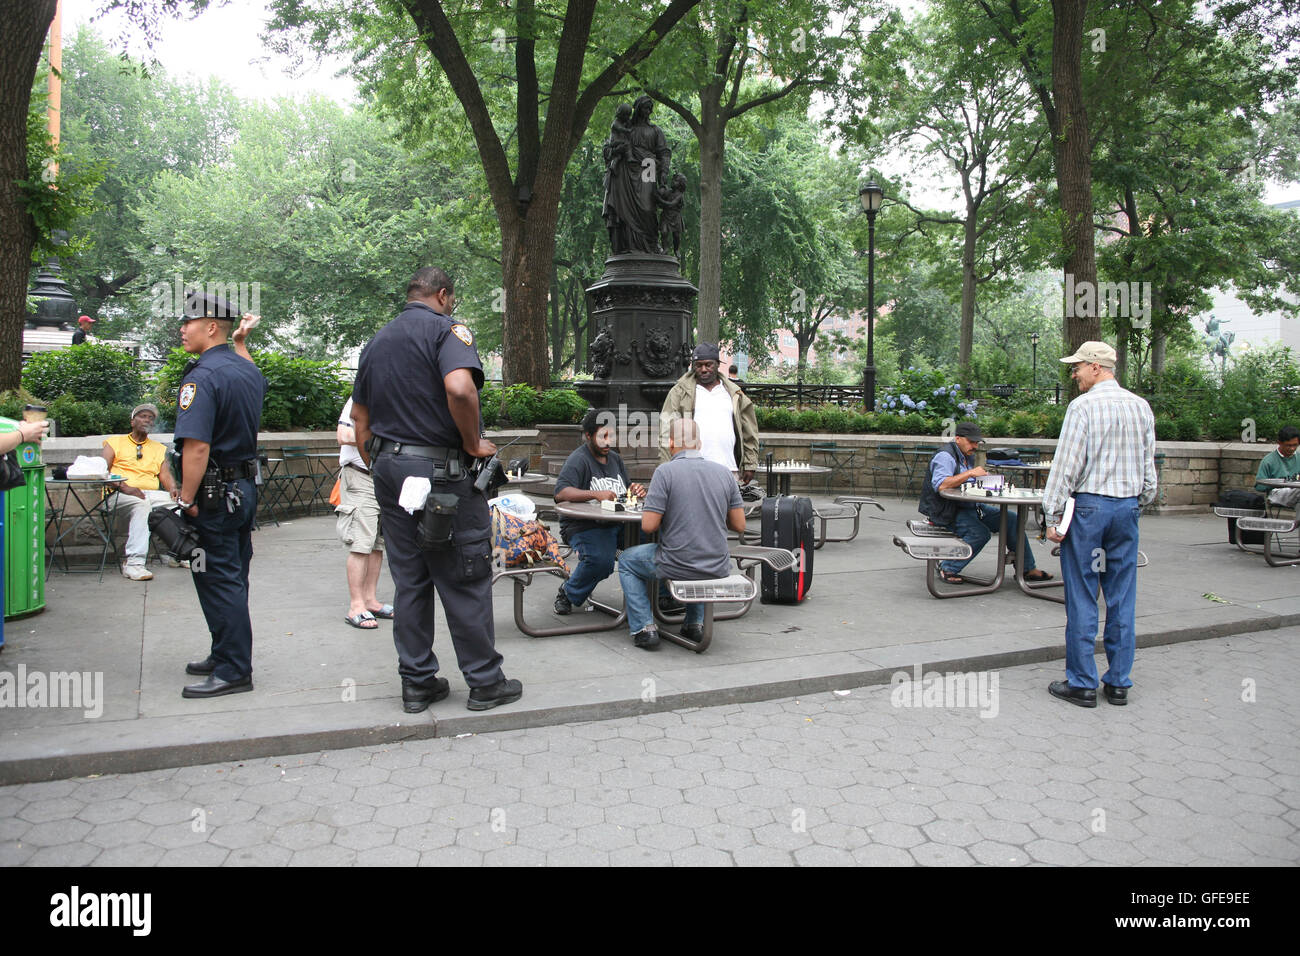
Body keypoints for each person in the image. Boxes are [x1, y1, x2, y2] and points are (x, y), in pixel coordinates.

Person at [350, 267, 522, 714]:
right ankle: (485, 682)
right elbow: (460, 389)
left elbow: (360, 420)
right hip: (442, 474)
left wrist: (381, 465)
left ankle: (417, 683)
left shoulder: (377, 341)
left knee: (410, 578)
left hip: (389, 469)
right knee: (465, 573)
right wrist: (472, 443)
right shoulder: (449, 331)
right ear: (443, 295)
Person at [1043, 341, 1157, 708]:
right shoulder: (1141, 407)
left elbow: (1066, 466)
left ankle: (1082, 683)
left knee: (1082, 595)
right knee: (1121, 596)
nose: (1073, 374)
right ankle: (1119, 682)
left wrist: (1052, 515)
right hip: (1126, 508)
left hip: (1090, 509)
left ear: (1095, 366)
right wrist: (1136, 503)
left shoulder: (1083, 407)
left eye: (1077, 367)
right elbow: (1149, 471)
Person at [173, 292, 267, 700]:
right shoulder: (246, 370)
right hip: (242, 490)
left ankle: (233, 670)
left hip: (212, 497)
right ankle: (223, 652)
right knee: (232, 575)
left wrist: (185, 499)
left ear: (211, 327)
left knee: (217, 579)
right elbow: (252, 371)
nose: (182, 329)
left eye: (188, 323)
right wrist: (241, 341)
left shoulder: (202, 377)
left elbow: (196, 448)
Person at [618, 419, 745, 650]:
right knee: (697, 553)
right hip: (717, 565)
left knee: (627, 560)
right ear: (700, 444)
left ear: (671, 443)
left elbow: (648, 526)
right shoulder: (724, 473)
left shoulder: (665, 472)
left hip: (677, 563)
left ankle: (644, 627)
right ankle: (694, 624)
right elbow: (739, 524)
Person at [918, 421, 1050, 585]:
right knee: (979, 533)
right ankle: (948, 567)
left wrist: (985, 480)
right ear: (958, 438)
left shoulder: (965, 455)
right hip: (946, 511)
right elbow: (941, 485)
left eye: (977, 442)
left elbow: (965, 481)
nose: (975, 446)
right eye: (971, 442)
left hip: (970, 506)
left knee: (1011, 520)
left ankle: (1027, 568)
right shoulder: (945, 456)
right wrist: (970, 473)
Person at [552, 408, 646, 615]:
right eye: (603, 436)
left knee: (655, 541)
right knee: (600, 561)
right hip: (585, 526)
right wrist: (595, 494)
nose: (608, 442)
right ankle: (568, 592)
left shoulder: (615, 459)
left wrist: (634, 490)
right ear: (588, 435)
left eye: (612, 436)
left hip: (618, 523)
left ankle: (661, 596)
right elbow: (561, 492)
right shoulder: (579, 459)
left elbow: (624, 490)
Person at [101, 403, 185, 581]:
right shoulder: (114, 443)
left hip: (148, 494)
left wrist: (173, 488)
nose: (147, 420)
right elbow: (102, 471)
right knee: (141, 504)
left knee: (184, 504)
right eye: (142, 416)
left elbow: (165, 475)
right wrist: (125, 487)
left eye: (151, 418)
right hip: (117, 494)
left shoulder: (158, 448)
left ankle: (179, 553)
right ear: (132, 422)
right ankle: (134, 564)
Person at [659, 343, 758, 485]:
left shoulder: (734, 393)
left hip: (728, 469)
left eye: (708, 365)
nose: (703, 369)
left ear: (718, 364)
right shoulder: (679, 392)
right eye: (699, 365)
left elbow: (749, 431)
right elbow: (666, 431)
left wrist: (750, 463)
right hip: (691, 472)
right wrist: (667, 469)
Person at [336, 396, 393, 629]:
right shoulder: (359, 398)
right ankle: (356, 606)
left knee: (377, 544)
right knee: (361, 543)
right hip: (359, 476)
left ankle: (370, 600)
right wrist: (379, 439)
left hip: (383, 478)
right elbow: (343, 435)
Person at [1254, 425, 1300, 508]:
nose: (1292, 448)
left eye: (1295, 445)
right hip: (1276, 494)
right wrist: (1277, 483)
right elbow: (1259, 486)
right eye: (1288, 445)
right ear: (1279, 443)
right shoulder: (1268, 460)